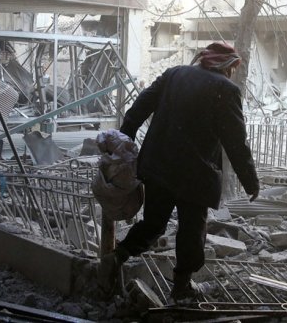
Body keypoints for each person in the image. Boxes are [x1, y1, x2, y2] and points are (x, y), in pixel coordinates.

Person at [98, 42, 259, 302]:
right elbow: (236, 142)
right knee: (192, 231)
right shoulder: (226, 90)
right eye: (232, 68)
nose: (232, 73)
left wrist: (124, 140)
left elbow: (140, 105)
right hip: (195, 175)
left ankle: (117, 256)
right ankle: (182, 286)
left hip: (158, 166)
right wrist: (250, 181)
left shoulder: (174, 74)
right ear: (226, 66)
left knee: (153, 223)